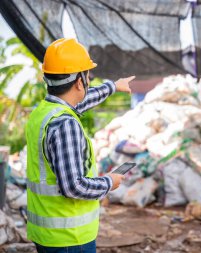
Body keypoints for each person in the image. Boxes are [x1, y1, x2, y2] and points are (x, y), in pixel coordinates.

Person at [25, 38, 135, 253]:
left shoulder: (44, 112)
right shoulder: (65, 124)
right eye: (87, 75)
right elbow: (73, 187)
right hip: (69, 238)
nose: (88, 80)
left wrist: (113, 86)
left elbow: (81, 101)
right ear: (79, 82)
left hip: (48, 234)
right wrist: (108, 182)